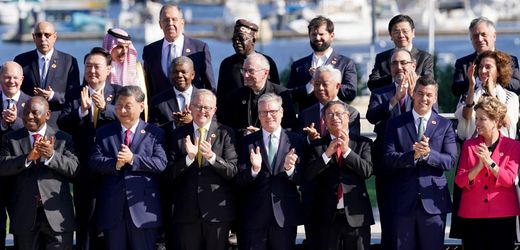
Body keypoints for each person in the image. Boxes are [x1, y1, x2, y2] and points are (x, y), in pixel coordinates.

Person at [383, 76, 458, 250]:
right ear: (413, 94)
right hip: (403, 201)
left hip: (433, 202)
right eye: (420, 93)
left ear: (435, 98)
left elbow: (450, 161)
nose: (424, 98)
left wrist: (428, 154)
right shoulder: (395, 124)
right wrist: (413, 156)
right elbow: (388, 157)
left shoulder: (445, 125)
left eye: (429, 95)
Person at [57, 47, 120, 250]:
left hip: (111, 168)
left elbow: (128, 120)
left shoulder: (119, 93)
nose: (92, 71)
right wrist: (82, 110)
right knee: (85, 220)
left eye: (97, 66)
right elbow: (62, 123)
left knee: (111, 220)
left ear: (109, 69)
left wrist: (106, 109)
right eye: (88, 66)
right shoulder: (75, 93)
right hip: (83, 167)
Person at [89, 86, 167, 250]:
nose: (122, 110)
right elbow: (94, 161)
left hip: (143, 210)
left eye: (128, 106)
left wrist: (133, 159)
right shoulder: (104, 132)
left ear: (141, 106)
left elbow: (161, 163)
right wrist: (115, 164)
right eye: (118, 106)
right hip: (112, 210)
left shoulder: (154, 133)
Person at [0, 96, 79, 250]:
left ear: (48, 114)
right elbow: (2, 167)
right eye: (26, 112)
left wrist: (52, 156)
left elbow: (74, 169)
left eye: (35, 113)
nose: (29, 116)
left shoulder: (63, 138)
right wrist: (27, 158)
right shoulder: (10, 139)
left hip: (57, 216)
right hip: (24, 217)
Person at [164, 89, 238, 250]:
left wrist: (211, 157)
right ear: (190, 107)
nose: (202, 111)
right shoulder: (177, 135)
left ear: (214, 110)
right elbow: (168, 174)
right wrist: (188, 158)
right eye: (198, 106)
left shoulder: (226, 133)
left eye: (207, 107)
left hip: (217, 213)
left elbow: (232, 170)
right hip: (186, 213)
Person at [365, 48, 422, 247]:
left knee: (415, 224)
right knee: (389, 222)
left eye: (403, 63)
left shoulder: (425, 91)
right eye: (394, 64)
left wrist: (415, 95)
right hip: (388, 166)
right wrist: (395, 99)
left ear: (413, 66)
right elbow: (372, 116)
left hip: (416, 166)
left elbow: (431, 120)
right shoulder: (381, 92)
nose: (399, 67)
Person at [236, 93, 306, 250]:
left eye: (273, 111)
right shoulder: (247, 142)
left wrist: (290, 169)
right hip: (254, 216)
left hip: (284, 215)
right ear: (258, 115)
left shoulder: (296, 140)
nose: (269, 116)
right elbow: (239, 180)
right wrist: (254, 170)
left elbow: (304, 179)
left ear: (281, 112)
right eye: (263, 112)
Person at [305, 100, 374, 250]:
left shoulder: (363, 143)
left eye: (339, 114)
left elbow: (367, 171)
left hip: (357, 215)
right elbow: (308, 174)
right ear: (324, 120)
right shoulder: (317, 146)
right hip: (327, 217)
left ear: (347, 117)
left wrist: (347, 152)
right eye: (330, 114)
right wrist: (327, 154)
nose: (335, 117)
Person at [454, 96, 520, 250]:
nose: (476, 123)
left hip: (502, 215)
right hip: (472, 215)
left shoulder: (513, 146)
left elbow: (509, 179)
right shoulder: (469, 146)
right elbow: (460, 180)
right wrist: (478, 166)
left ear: (496, 121)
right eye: (476, 118)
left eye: (482, 119)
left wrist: (490, 163)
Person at [13, 21, 81, 128]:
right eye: (39, 35)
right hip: (28, 123)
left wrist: (52, 96)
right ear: (33, 37)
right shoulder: (21, 60)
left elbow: (74, 96)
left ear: (55, 36)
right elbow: (15, 91)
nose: (43, 39)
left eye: (47, 35)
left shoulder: (69, 61)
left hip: (57, 124)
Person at [143, 4, 215, 100]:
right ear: (160, 24)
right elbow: (147, 87)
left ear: (182, 22)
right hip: (160, 112)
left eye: (174, 19)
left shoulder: (199, 48)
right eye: (166, 20)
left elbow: (210, 85)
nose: (170, 23)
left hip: (191, 110)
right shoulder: (150, 51)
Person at [286, 16, 357, 112]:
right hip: (308, 122)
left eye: (321, 34)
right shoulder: (299, 66)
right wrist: (310, 85)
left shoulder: (345, 63)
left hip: (335, 120)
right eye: (314, 34)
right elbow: (289, 96)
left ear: (331, 36)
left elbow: (350, 93)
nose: (317, 38)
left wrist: (327, 81)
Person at [221, 53, 297, 138]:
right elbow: (226, 127)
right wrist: (243, 132)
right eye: (244, 70)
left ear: (265, 73)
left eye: (251, 71)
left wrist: (265, 133)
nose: (245, 75)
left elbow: (291, 128)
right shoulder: (235, 96)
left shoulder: (281, 94)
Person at [216, 19, 280, 120]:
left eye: (241, 39)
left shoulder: (267, 62)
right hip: (233, 122)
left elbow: (276, 93)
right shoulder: (227, 64)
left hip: (261, 120)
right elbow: (221, 98)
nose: (237, 42)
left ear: (253, 39)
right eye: (234, 39)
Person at [0, 61, 31, 250]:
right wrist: (3, 124)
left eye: (15, 77)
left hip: (23, 175)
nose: (11, 81)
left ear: (22, 79)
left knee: (23, 228)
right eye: (6, 77)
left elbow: (38, 133)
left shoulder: (33, 102)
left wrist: (17, 122)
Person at [455, 50, 519, 141]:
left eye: (488, 67)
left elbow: (506, 123)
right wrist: (471, 86)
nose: (483, 71)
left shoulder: (510, 97)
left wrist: (492, 95)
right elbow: (466, 117)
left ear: (499, 71)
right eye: (481, 67)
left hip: (500, 148)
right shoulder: (469, 93)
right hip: (473, 145)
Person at [452, 16, 520, 98]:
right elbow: (456, 90)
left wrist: (494, 78)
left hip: (503, 107)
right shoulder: (463, 63)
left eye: (483, 35)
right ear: (471, 39)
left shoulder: (509, 60)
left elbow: (517, 86)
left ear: (494, 36)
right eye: (475, 36)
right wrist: (475, 81)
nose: (480, 39)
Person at [367, 14, 433, 91]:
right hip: (389, 101)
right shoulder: (382, 58)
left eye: (405, 31)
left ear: (413, 32)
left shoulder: (424, 57)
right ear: (390, 35)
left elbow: (428, 82)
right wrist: (395, 77)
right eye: (396, 32)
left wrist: (411, 79)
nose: (401, 35)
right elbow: (372, 84)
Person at [300, 65, 361, 140]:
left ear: (337, 86)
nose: (320, 88)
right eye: (316, 84)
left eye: (325, 84)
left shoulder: (351, 113)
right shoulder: (306, 114)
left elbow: (354, 143)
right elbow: (300, 142)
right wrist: (309, 139)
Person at [102, 28, 149, 119]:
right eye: (119, 47)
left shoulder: (137, 70)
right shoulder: (97, 69)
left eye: (127, 47)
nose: (124, 52)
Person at [148, 56, 196, 127]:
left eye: (183, 72)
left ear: (192, 75)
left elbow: (213, 125)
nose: (179, 75)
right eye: (175, 72)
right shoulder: (158, 101)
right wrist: (174, 124)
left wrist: (192, 122)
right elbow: (153, 129)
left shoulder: (205, 99)